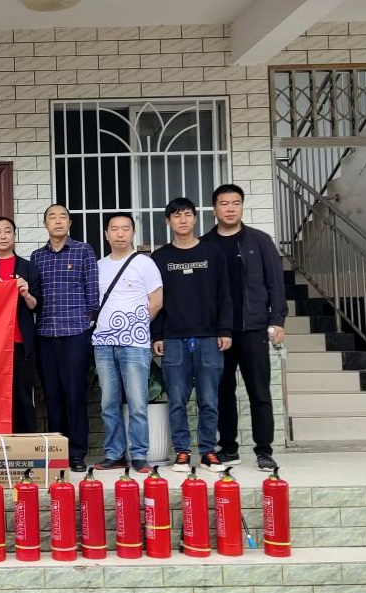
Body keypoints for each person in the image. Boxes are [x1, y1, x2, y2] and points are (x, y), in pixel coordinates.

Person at [202, 184, 287, 471]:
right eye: (224, 203)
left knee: (259, 392)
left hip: (253, 328)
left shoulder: (260, 241)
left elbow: (275, 283)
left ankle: (264, 451)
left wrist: (277, 320)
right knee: (222, 392)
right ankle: (228, 448)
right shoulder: (205, 244)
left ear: (242, 206)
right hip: (219, 332)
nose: (230, 209)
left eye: (235, 203)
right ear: (214, 209)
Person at [150, 198, 232, 473]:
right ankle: (182, 453)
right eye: (176, 216)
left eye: (187, 214)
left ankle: (208, 452)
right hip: (173, 339)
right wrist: (157, 335)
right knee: (177, 401)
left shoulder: (212, 252)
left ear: (195, 218)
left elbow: (224, 294)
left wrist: (224, 329)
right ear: (168, 222)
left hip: (209, 338)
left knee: (209, 400)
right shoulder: (160, 258)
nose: (182, 220)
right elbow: (155, 300)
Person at [92, 213, 163, 473]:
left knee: (137, 402)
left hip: (134, 343)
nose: (120, 233)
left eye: (125, 228)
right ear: (106, 234)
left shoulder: (144, 263)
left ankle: (140, 455)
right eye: (114, 229)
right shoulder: (98, 266)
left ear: (133, 233)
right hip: (103, 343)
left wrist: (135, 326)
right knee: (108, 403)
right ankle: (114, 454)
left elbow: (156, 301)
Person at [31, 204, 99, 472]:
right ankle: (57, 452)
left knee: (75, 395)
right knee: (52, 395)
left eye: (63, 217)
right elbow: (35, 295)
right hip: (45, 334)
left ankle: (77, 453)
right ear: (44, 224)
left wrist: (86, 323)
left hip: (75, 333)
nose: (58, 221)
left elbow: (92, 292)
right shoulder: (37, 256)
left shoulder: (83, 250)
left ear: (70, 223)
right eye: (52, 217)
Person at [0, 216, 42, 433]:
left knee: (23, 395)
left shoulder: (28, 267)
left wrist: (26, 293)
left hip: (19, 342)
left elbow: (36, 306)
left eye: (7, 231)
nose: (3, 236)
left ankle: (26, 444)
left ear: (14, 235)